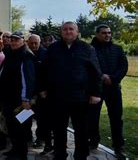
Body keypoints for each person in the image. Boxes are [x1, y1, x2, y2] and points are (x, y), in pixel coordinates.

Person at [40, 21, 102, 160]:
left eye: (71, 29)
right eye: (65, 29)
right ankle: (60, 154)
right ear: (61, 32)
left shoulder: (87, 48)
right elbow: (44, 70)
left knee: (81, 129)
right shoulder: (53, 48)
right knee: (59, 129)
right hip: (57, 97)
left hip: (80, 97)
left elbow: (96, 73)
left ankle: (81, 155)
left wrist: (95, 93)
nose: (68, 32)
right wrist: (43, 88)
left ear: (77, 31)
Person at [88, 25, 128, 158]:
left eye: (109, 33)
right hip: (95, 90)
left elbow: (123, 66)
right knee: (92, 118)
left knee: (116, 119)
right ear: (97, 34)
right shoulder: (89, 49)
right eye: (104, 33)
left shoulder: (117, 49)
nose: (107, 35)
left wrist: (112, 78)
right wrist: (101, 77)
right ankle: (93, 141)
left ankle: (119, 146)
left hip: (113, 89)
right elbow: (87, 68)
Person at [0, 31, 35, 160]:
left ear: (23, 41)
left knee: (21, 128)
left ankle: (21, 154)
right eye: (12, 40)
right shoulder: (10, 54)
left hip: (21, 102)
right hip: (8, 99)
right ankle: (14, 150)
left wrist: (26, 99)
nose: (13, 42)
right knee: (12, 126)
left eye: (16, 40)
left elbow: (27, 80)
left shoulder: (26, 56)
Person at [27, 34, 52, 154]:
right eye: (31, 43)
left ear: (40, 42)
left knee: (42, 120)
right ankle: (27, 137)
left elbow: (47, 75)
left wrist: (43, 90)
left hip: (42, 94)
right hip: (28, 94)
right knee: (24, 116)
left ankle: (43, 141)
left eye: (36, 43)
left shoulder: (45, 54)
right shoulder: (26, 54)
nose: (33, 45)